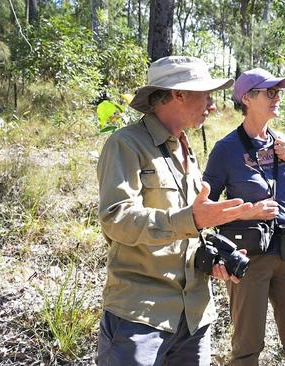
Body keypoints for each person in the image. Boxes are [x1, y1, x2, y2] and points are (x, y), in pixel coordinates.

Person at [96, 56, 253, 365]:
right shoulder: (126, 144)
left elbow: (186, 231)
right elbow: (116, 219)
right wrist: (190, 219)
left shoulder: (185, 148)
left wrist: (212, 258)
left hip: (194, 317)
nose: (212, 105)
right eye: (206, 94)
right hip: (140, 317)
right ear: (179, 93)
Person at [202, 67, 285, 366]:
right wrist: (248, 212)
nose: (278, 98)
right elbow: (204, 208)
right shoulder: (226, 150)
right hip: (249, 257)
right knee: (248, 346)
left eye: (279, 92)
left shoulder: (282, 143)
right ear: (247, 98)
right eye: (270, 92)